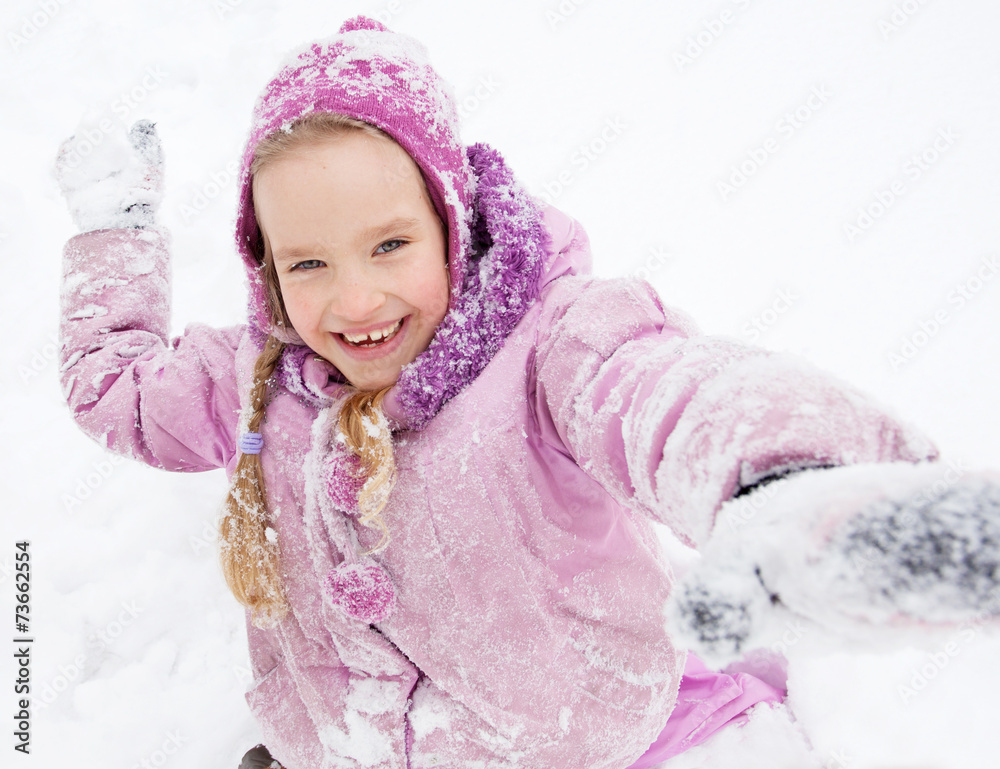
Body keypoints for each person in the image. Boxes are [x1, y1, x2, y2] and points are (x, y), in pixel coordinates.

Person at [55, 15, 1000, 769]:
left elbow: (662, 393)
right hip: (344, 742)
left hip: (573, 743)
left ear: (452, 222)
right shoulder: (253, 380)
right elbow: (116, 390)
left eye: (390, 244)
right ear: (264, 267)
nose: (353, 299)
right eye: (307, 260)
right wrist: (117, 231)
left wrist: (786, 482)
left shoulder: (549, 348)